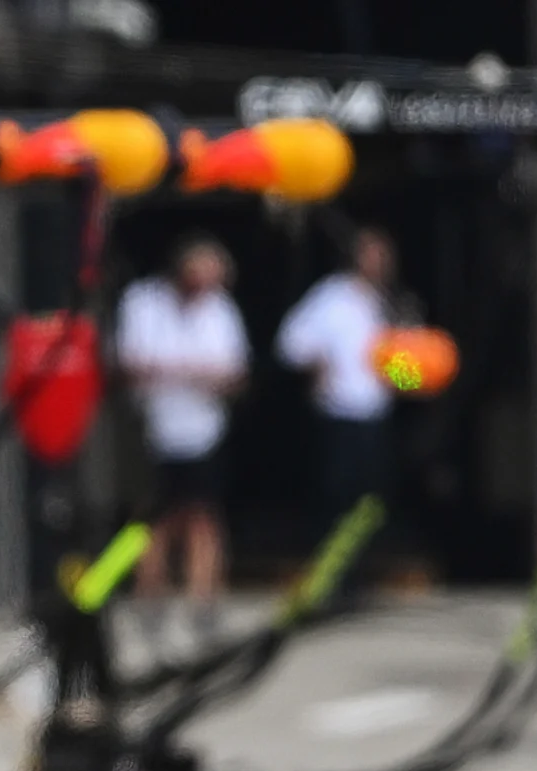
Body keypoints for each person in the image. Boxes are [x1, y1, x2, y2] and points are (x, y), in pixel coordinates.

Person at [116, 237, 249, 642]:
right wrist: (191, 372)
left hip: (203, 431)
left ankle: (203, 599)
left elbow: (233, 372)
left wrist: (180, 372)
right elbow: (132, 364)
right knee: (152, 517)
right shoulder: (143, 302)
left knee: (203, 516)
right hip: (152, 428)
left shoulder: (221, 310)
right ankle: (149, 596)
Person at [276, 226, 397, 530]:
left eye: (383, 255)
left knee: (370, 499)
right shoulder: (331, 295)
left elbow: (389, 358)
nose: (378, 262)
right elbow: (290, 343)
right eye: (371, 254)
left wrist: (409, 382)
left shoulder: (386, 302)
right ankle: (334, 571)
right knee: (334, 496)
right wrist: (318, 365)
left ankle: (361, 567)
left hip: (374, 414)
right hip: (337, 411)